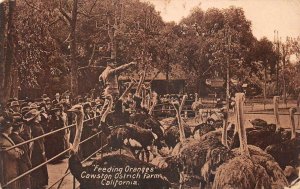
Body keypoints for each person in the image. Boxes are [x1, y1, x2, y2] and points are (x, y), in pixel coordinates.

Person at [24, 109, 48, 189]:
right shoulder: (35, 127)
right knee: (38, 165)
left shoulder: (36, 125)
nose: (40, 116)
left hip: (39, 147)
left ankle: (40, 183)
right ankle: (38, 184)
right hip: (37, 149)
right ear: (35, 118)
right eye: (38, 116)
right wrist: (42, 150)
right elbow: (38, 140)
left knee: (39, 165)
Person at [0, 113, 23, 189]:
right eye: (10, 126)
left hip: (6, 169)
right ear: (6, 128)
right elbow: (16, 155)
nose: (12, 128)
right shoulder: (5, 142)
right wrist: (19, 151)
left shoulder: (3, 138)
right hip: (9, 170)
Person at [9, 115, 32, 189]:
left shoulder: (10, 137)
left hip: (13, 166)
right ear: (20, 127)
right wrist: (29, 164)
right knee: (25, 183)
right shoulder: (20, 140)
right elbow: (25, 156)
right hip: (22, 165)